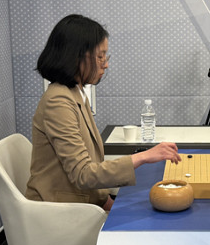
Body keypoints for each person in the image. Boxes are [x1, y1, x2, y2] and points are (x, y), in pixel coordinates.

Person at [26, 14, 181, 211]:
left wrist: (106, 202)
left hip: (81, 202)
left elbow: (88, 167)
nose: (105, 64)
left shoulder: (74, 92)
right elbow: (83, 174)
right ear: (76, 56)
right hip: (59, 211)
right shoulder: (58, 102)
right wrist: (142, 157)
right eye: (100, 57)